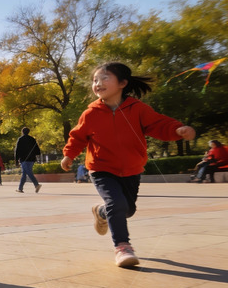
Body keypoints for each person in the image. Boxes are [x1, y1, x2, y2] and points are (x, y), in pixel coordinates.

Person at [61, 62, 195, 268]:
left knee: (128, 209)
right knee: (117, 203)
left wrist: (178, 130)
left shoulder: (137, 109)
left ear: (123, 83)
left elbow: (159, 124)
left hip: (131, 169)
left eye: (105, 78)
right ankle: (123, 247)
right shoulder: (90, 113)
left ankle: (101, 212)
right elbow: (78, 136)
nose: (98, 83)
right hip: (101, 168)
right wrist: (69, 155)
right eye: (95, 80)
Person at [14, 127, 42, 193]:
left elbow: (17, 151)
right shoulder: (32, 139)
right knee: (24, 173)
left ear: (22, 132)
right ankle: (20, 188)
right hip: (32, 159)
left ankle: (36, 184)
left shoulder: (20, 139)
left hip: (24, 159)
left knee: (28, 172)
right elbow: (38, 151)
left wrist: (16, 160)